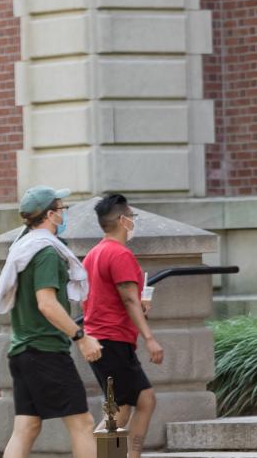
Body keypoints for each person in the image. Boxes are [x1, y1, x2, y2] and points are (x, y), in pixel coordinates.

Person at [0, 185, 100, 458]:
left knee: (26, 427)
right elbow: (47, 303)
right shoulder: (47, 253)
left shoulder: (24, 248)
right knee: (83, 424)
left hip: (22, 352)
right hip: (45, 351)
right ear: (51, 215)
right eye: (62, 209)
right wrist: (81, 337)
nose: (65, 214)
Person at [80, 194, 163, 458]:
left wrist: (139, 306)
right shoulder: (119, 254)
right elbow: (129, 298)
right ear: (121, 220)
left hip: (104, 338)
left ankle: (124, 455)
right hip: (112, 339)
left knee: (129, 404)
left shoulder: (93, 254)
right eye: (131, 217)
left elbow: (121, 298)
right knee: (126, 407)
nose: (133, 222)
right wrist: (149, 338)